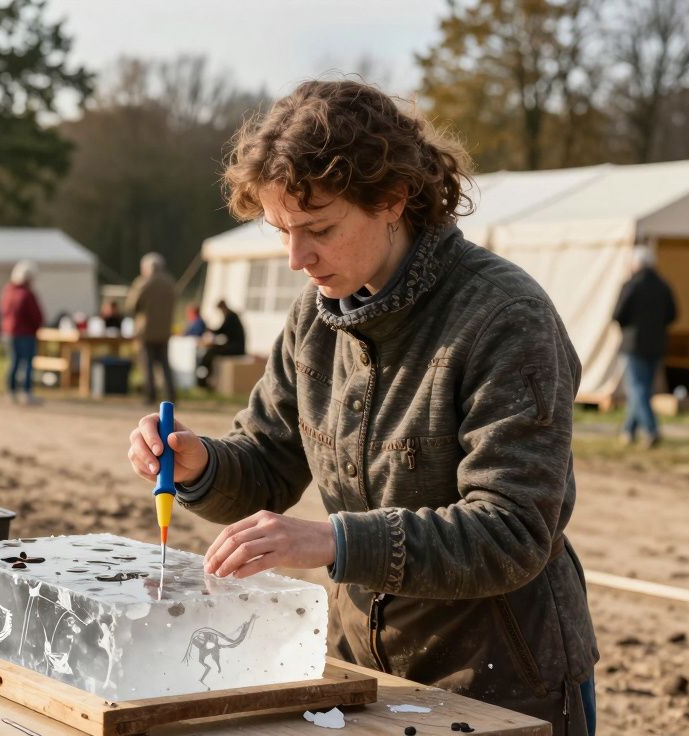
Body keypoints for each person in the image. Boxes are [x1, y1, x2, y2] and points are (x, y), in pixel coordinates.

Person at [126, 80, 597, 733]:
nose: (296, 258)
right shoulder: (314, 321)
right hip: (364, 677)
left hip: (506, 684)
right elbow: (265, 463)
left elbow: (512, 531)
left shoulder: (505, 316)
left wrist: (333, 539)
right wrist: (200, 462)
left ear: (392, 200)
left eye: (318, 229)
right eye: (283, 231)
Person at [612, 246, 677, 448]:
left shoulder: (632, 285)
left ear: (636, 264)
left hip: (634, 344)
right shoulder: (663, 285)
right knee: (643, 390)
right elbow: (673, 314)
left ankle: (651, 430)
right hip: (657, 344)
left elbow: (617, 314)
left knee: (637, 389)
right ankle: (628, 431)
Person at [125, 252, 177, 404]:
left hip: (146, 331)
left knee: (147, 366)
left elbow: (131, 306)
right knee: (166, 365)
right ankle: (171, 395)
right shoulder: (170, 283)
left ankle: (150, 395)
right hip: (165, 330)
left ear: (147, 268)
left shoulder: (143, 283)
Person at [0, 260, 44, 404]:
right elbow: (35, 315)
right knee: (27, 364)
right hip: (25, 333)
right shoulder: (26, 294)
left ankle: (11, 391)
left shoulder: (8, 292)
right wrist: (38, 324)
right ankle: (26, 392)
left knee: (14, 362)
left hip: (10, 332)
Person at [195, 300, 247, 388]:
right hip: (235, 345)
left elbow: (222, 330)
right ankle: (204, 378)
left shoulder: (230, 316)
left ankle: (204, 379)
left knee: (211, 353)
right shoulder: (231, 316)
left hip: (236, 347)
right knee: (211, 352)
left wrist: (210, 330)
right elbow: (224, 331)